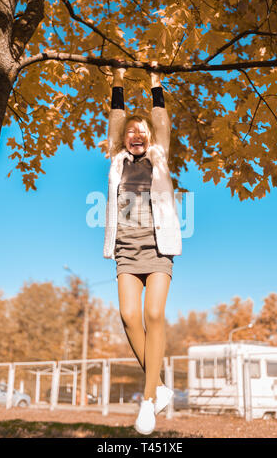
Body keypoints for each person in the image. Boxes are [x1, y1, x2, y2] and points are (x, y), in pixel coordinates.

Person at [103, 59, 182, 434]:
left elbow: (162, 122)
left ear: (150, 137)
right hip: (125, 251)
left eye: (142, 131)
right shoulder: (117, 160)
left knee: (153, 315)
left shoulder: (158, 157)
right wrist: (117, 79)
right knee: (129, 318)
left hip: (157, 248)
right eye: (131, 131)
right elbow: (116, 121)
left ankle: (148, 400)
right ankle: (162, 386)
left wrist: (155, 82)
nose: (136, 134)